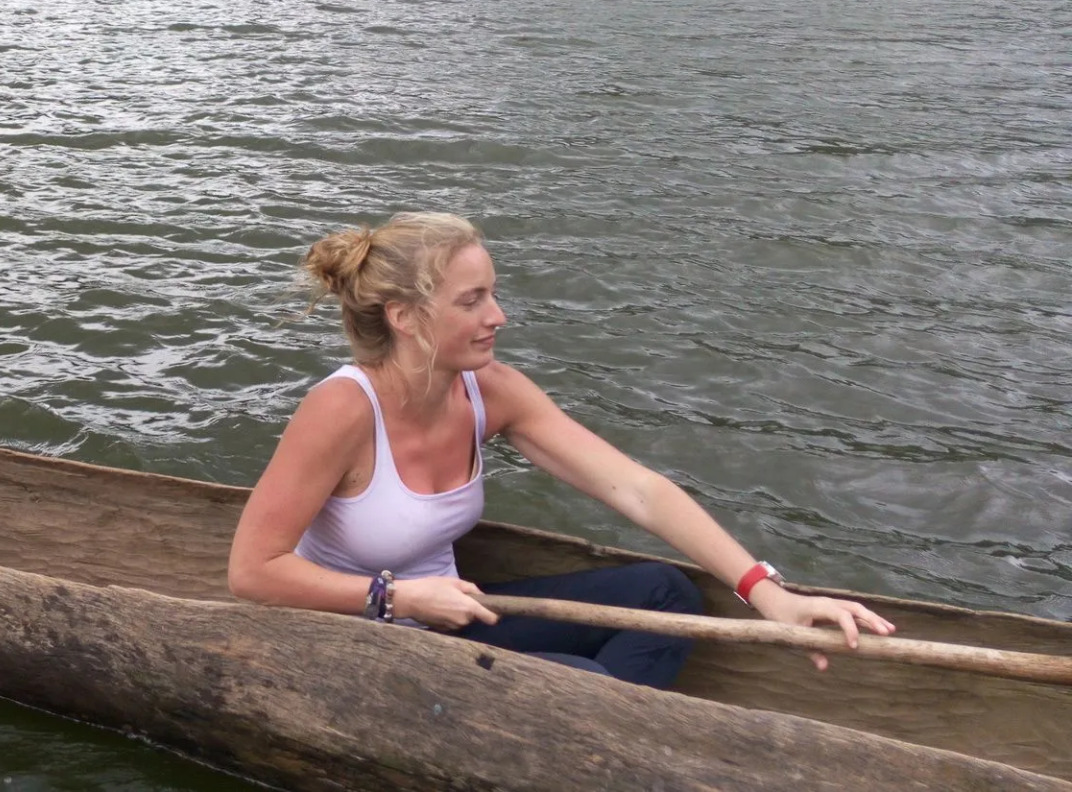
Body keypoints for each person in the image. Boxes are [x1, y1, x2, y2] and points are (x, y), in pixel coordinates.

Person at [228, 211, 894, 687]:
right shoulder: (343, 408)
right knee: (580, 685)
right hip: (352, 648)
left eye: (493, 292)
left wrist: (768, 593)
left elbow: (634, 488)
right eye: (473, 300)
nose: (498, 316)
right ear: (405, 318)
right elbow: (253, 572)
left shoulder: (492, 391)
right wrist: (396, 598)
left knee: (664, 595)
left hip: (444, 624)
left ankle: (597, 743)